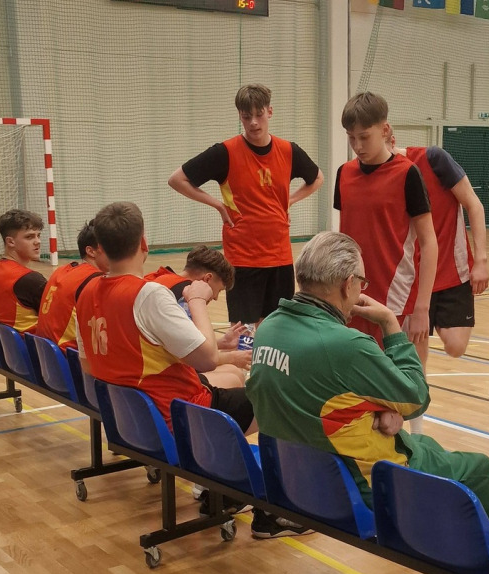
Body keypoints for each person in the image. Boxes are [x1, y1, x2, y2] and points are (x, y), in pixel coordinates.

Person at [246, 231, 489, 528]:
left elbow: (317, 394)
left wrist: (382, 410)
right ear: (347, 285)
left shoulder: (269, 328)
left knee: (425, 444)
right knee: (478, 469)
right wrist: (390, 323)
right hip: (362, 488)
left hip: (300, 477)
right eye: (362, 283)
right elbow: (416, 398)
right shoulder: (345, 344)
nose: (361, 291)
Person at [75, 202, 254, 436]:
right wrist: (197, 301)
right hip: (176, 414)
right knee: (277, 400)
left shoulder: (85, 293)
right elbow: (208, 360)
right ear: (143, 243)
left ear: (100, 246)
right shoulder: (147, 294)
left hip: (128, 418)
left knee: (232, 376)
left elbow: (88, 365)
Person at [168, 83, 324, 326]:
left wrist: (289, 201)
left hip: (280, 258)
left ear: (269, 112)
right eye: (246, 116)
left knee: (277, 329)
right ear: (239, 115)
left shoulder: (288, 150)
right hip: (243, 260)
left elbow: (317, 178)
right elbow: (177, 179)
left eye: (259, 114)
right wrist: (218, 205)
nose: (253, 122)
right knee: (244, 333)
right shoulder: (225, 152)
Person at [390, 134, 489, 434]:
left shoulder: (434, 160)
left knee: (456, 346)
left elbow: (474, 204)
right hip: (415, 280)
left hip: (453, 273)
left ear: (390, 137)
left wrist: (481, 259)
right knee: (416, 358)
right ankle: (417, 434)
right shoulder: (384, 176)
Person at [334, 92, 438, 350]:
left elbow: (429, 243)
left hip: (396, 300)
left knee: (400, 371)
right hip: (350, 295)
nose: (357, 145)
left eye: (364, 137)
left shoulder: (408, 174)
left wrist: (422, 308)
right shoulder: (344, 173)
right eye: (351, 138)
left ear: (385, 130)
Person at [145, 245, 252, 387]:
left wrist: (220, 343)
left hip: (145, 365)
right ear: (207, 279)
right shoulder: (185, 297)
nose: (215, 298)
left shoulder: (160, 278)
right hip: (158, 377)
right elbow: (197, 359)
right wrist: (231, 357)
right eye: (219, 290)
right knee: (234, 375)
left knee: (231, 372)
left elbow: (179, 343)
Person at [36, 220, 109, 350]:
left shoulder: (62, 270)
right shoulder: (94, 280)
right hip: (68, 355)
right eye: (111, 246)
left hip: (46, 353)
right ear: (91, 251)